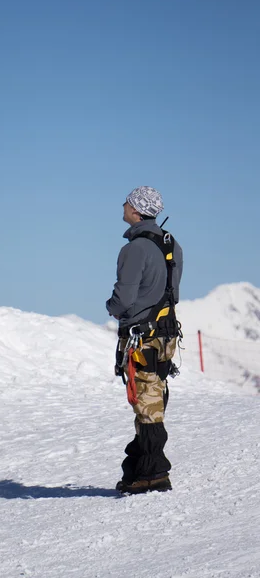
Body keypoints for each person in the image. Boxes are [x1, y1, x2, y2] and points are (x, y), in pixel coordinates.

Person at [106, 186, 183, 495]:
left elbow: (124, 297)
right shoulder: (171, 244)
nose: (123, 205)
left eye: (127, 202)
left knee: (147, 402)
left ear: (136, 211)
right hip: (166, 333)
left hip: (142, 336)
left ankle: (153, 473)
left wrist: (112, 308)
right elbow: (173, 290)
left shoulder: (134, 249)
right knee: (154, 395)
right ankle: (140, 469)